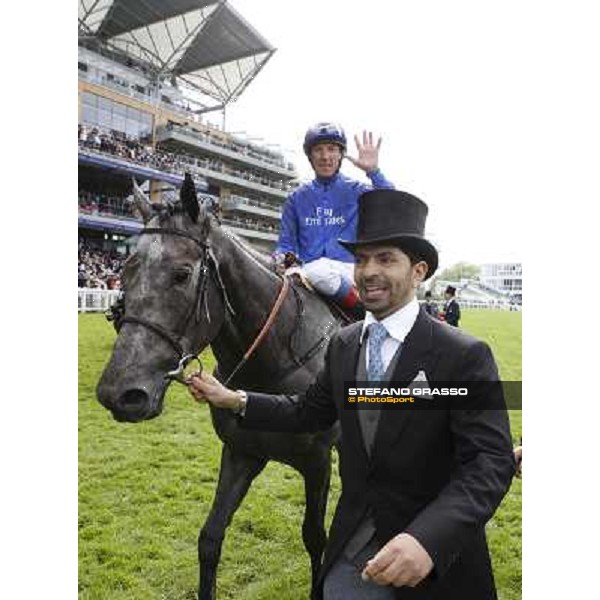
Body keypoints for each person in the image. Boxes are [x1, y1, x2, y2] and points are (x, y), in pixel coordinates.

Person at [188, 189, 515, 600]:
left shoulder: (465, 356)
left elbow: (489, 463)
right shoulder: (344, 345)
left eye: (385, 259)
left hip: (436, 562)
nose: (368, 271)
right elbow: (309, 412)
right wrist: (234, 399)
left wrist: (428, 539)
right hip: (352, 553)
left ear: (419, 272)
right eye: (361, 260)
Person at [274, 122, 395, 318]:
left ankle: (366, 313)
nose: (325, 156)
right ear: (310, 156)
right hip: (306, 274)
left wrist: (373, 172)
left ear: (341, 155)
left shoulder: (357, 190)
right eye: (318, 150)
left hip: (347, 271)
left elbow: (392, 203)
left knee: (318, 271)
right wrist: (280, 259)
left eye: (331, 149)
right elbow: (286, 244)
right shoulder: (295, 199)